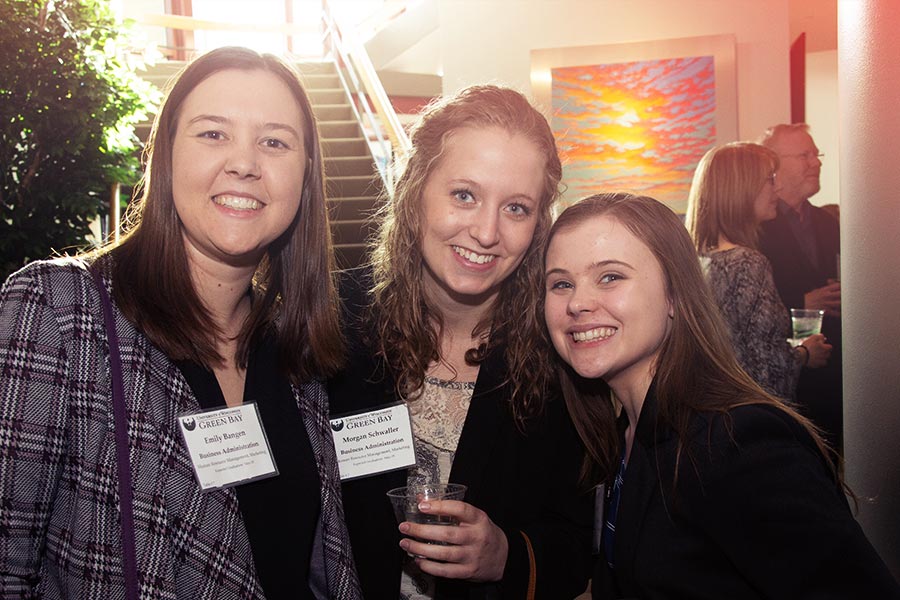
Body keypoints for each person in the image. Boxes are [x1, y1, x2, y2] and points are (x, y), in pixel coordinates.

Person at [0, 47, 360, 599]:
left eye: (275, 141)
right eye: (213, 134)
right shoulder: (58, 311)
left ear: (306, 174)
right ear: (165, 154)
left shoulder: (294, 349)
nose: (244, 163)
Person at [543, 193, 899, 599]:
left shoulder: (736, 442)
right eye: (561, 283)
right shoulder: (624, 432)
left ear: (675, 295)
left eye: (610, 277)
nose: (578, 303)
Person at [327, 85, 593, 599]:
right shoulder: (337, 319)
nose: (487, 232)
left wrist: (507, 557)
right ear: (415, 189)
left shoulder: (559, 355)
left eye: (516, 208)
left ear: (539, 224)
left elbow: (582, 540)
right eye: (464, 195)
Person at [685, 142, 831, 400]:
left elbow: (735, 350)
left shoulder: (697, 259)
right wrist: (805, 354)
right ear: (742, 188)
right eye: (769, 180)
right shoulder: (748, 263)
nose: (778, 188)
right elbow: (761, 374)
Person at [757, 123, 842, 450]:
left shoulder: (828, 222)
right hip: (782, 388)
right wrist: (803, 300)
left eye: (816, 154)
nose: (816, 162)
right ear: (774, 165)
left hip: (832, 379)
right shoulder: (757, 225)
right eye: (804, 155)